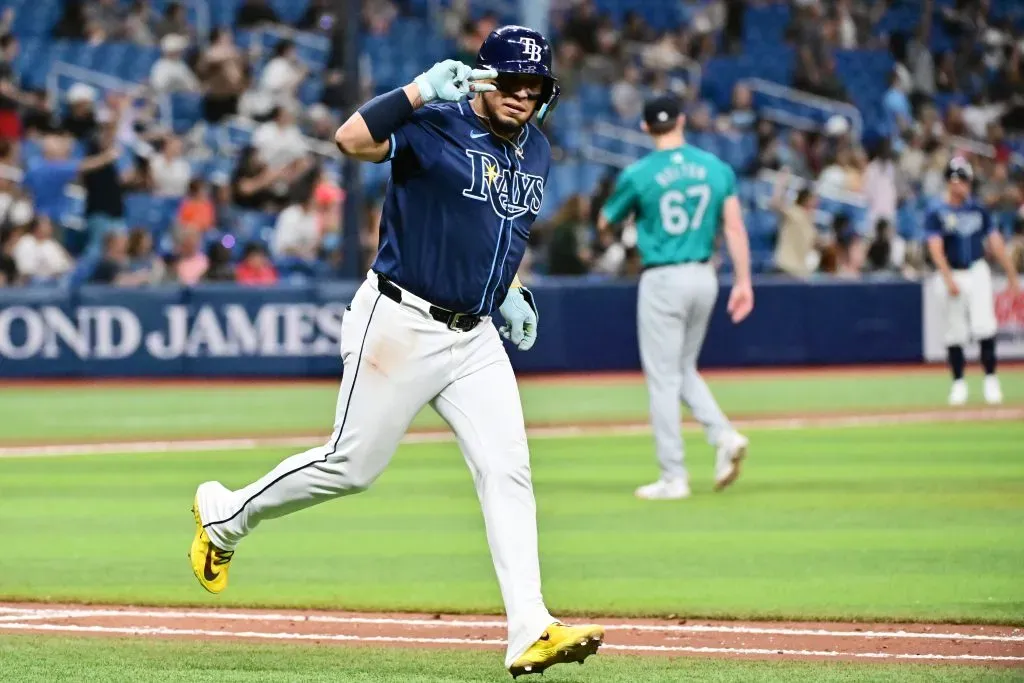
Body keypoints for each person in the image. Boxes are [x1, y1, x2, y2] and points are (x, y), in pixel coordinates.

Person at [187, 26, 604, 678]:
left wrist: (511, 288)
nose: (523, 94)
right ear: (482, 77)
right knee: (351, 466)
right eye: (511, 80)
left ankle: (529, 626)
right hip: (399, 319)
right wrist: (413, 91)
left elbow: (493, 228)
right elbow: (349, 139)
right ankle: (227, 513)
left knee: (509, 471)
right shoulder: (433, 121)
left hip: (474, 336)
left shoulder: (538, 150)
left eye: (535, 85)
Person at [596, 94, 754, 501]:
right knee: (682, 368)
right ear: (682, 121)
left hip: (663, 276)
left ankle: (673, 476)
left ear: (646, 127)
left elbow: (604, 222)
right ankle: (723, 436)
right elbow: (734, 229)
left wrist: (626, 225)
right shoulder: (715, 167)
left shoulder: (639, 173)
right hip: (705, 274)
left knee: (663, 379)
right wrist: (744, 282)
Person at [925, 157, 1020, 406]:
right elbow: (935, 248)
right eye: (960, 179)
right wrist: (947, 278)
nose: (964, 185)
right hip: (952, 271)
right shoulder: (938, 211)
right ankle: (958, 383)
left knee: (984, 326)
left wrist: (1011, 273)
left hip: (977, 269)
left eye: (966, 179)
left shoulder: (977, 209)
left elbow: (995, 242)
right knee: (954, 331)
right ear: (950, 181)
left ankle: (990, 380)